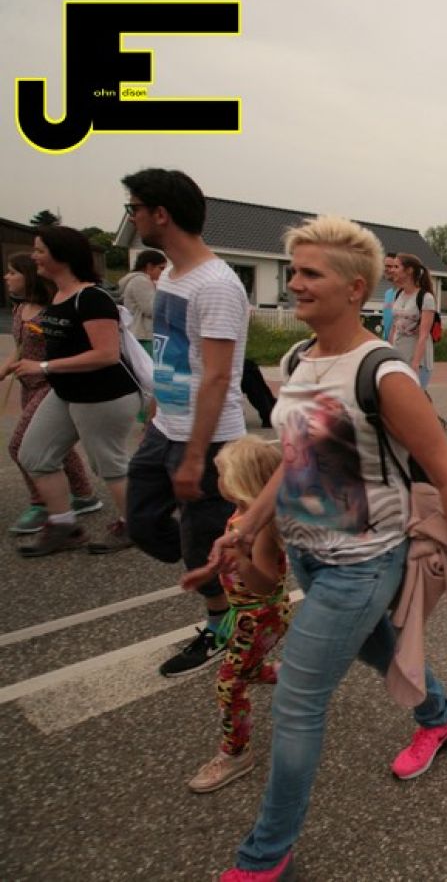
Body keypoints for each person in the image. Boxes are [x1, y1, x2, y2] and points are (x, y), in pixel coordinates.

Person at [212, 215, 447, 881]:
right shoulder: (296, 359)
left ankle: (264, 858)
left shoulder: (382, 372)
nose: (295, 283)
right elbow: (296, 454)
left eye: (311, 273)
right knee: (380, 651)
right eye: (293, 271)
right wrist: (250, 523)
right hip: (309, 554)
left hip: (362, 564)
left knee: (298, 701)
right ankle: (441, 717)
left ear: (354, 288)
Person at [122, 168, 250, 676]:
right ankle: (240, 564)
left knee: (201, 542)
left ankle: (224, 623)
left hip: (209, 438)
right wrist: (157, 411)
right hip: (166, 427)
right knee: (141, 521)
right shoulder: (174, 276)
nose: (131, 218)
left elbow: (217, 376)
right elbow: (172, 355)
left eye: (134, 208)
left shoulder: (216, 285)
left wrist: (196, 457)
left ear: (161, 214)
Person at [13, 227, 138, 557]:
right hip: (67, 391)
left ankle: (134, 525)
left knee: (108, 464)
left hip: (104, 395)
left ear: (62, 255)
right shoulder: (58, 295)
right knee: (34, 454)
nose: (34, 257)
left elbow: (107, 354)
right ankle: (64, 526)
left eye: (40, 250)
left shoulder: (92, 298)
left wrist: (43, 367)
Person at [183, 435, 292, 794]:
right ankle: (287, 675)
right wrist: (212, 569)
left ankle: (236, 753)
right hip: (246, 614)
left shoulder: (262, 530)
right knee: (246, 666)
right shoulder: (243, 516)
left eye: (223, 475)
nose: (218, 482)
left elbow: (266, 583)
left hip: (260, 615)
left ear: (241, 482)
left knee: (229, 684)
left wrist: (242, 563)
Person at [2, 252, 102, 535]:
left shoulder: (53, 310)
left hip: (51, 384)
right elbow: (19, 348)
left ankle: (42, 503)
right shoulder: (21, 309)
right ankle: (83, 495)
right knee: (56, 445)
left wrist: (47, 368)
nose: (6, 277)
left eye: (13, 272)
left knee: (21, 446)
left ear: (28, 276)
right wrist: (5, 368)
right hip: (27, 385)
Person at [390, 253, 437, 388]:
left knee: (413, 398)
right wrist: (389, 353)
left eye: (396, 267)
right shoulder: (398, 294)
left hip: (417, 362)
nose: (392, 270)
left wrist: (415, 364)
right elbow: (394, 327)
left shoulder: (425, 298)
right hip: (399, 358)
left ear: (409, 270)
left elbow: (423, 335)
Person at [120, 248, 167, 349]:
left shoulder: (138, 280)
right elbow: (151, 309)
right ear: (149, 266)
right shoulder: (140, 280)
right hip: (143, 334)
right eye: (161, 268)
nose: (163, 272)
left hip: (139, 334)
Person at [380, 253, 399, 342]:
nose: (386, 269)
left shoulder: (404, 293)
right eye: (385, 266)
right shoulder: (388, 293)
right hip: (387, 342)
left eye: (390, 266)